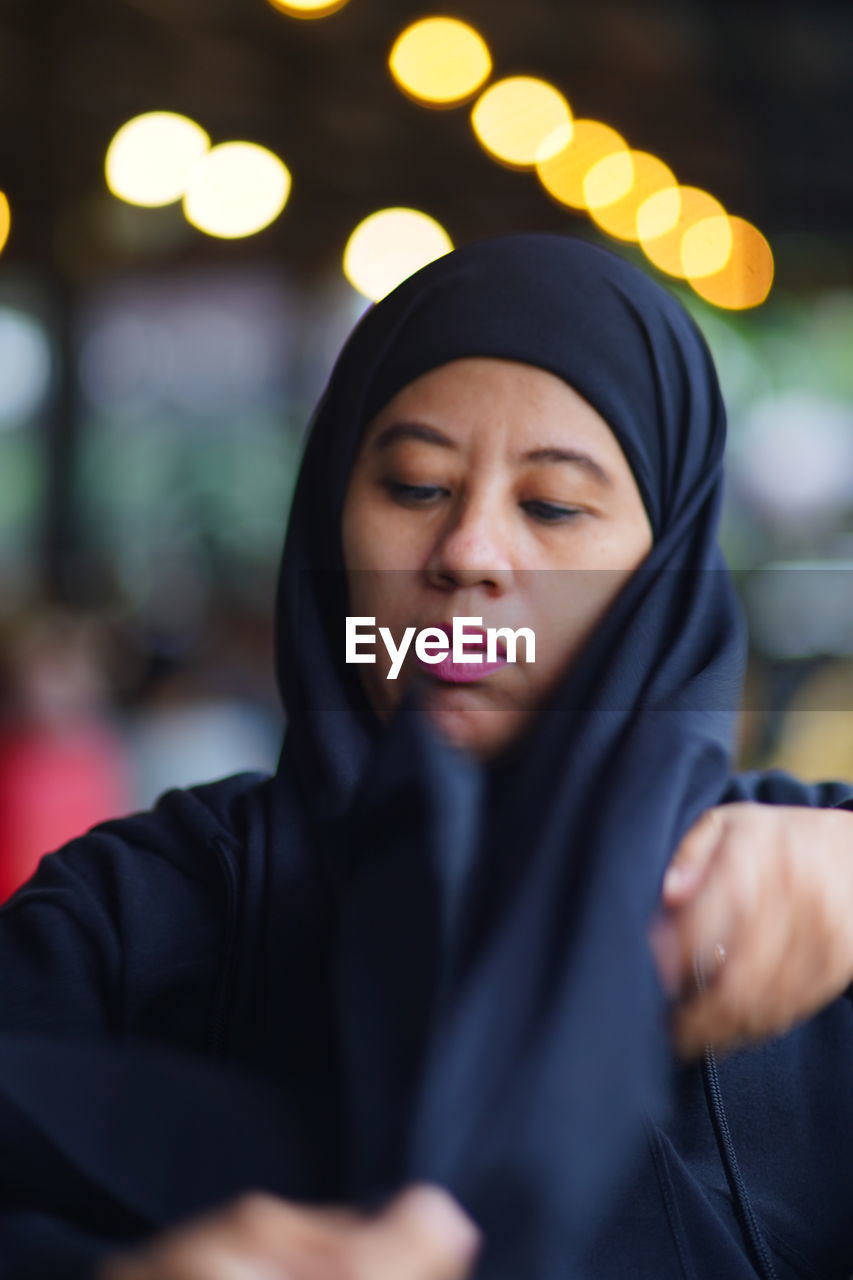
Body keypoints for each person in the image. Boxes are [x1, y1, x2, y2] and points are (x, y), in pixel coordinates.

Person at [0, 233, 852, 1280]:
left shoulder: (809, 901)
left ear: (663, 572)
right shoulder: (134, 917)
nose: (466, 554)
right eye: (412, 487)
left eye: (550, 506)